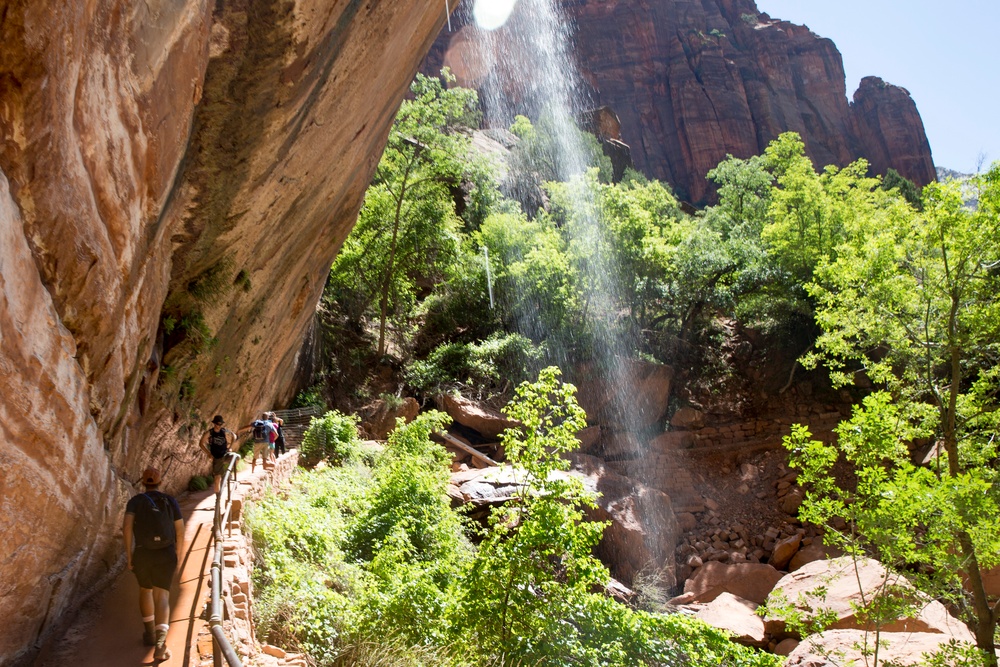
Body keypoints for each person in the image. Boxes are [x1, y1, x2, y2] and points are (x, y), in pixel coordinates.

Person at [122, 467, 184, 661]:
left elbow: (127, 528)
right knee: (162, 595)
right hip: (166, 553)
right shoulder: (169, 501)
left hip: (142, 552)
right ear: (160, 482)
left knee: (145, 590)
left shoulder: (135, 501)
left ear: (143, 482)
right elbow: (180, 531)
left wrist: (129, 555)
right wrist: (178, 554)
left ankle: (149, 634)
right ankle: (160, 644)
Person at [199, 414, 237, 493]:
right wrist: (208, 453)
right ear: (214, 423)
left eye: (220, 424)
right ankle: (217, 498)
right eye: (217, 424)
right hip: (217, 457)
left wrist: (230, 447)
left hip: (225, 454)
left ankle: (228, 473)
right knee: (217, 478)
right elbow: (201, 443)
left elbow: (234, 436)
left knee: (236, 457)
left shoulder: (224, 431)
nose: (218, 426)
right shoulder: (210, 432)